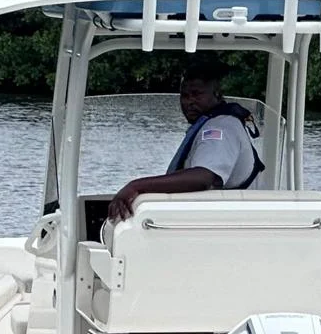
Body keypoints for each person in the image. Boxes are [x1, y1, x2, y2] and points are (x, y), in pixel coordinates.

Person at [107, 63, 264, 221]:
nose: (189, 102)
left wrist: (136, 186)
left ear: (217, 94)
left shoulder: (220, 129)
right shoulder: (213, 123)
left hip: (223, 224)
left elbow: (202, 178)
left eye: (196, 94)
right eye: (185, 95)